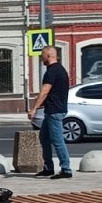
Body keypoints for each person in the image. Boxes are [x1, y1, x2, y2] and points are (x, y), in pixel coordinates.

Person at [26, 46, 73, 179]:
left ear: (48, 56)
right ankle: (48, 168)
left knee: (57, 141)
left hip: (54, 111)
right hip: (53, 110)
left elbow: (45, 91)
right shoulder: (60, 69)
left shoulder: (52, 71)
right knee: (44, 138)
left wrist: (34, 109)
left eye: (42, 55)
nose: (41, 58)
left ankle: (66, 169)